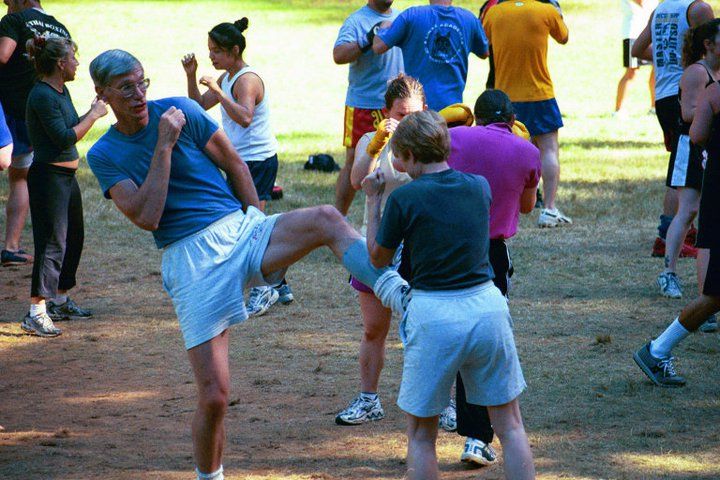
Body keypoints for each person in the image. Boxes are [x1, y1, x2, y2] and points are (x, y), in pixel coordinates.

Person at [86, 49, 409, 480]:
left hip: (240, 230)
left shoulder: (182, 110)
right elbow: (148, 216)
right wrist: (164, 145)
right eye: (126, 87)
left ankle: (397, 291)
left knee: (326, 219)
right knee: (216, 396)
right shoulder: (105, 154)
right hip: (190, 258)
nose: (139, 93)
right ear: (102, 94)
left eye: (142, 81)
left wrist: (256, 218)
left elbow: (235, 163)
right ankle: (210, 476)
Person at [363, 110, 535, 480]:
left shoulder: (403, 199)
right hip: (487, 307)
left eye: (397, 154)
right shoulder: (479, 187)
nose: (394, 161)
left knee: (423, 436)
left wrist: (373, 199)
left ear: (409, 155)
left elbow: (377, 257)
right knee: (511, 426)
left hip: (434, 313)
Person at [445, 89, 541, 467]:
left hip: (447, 246)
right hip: (492, 254)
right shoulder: (528, 152)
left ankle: (436, 413)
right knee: (485, 342)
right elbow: (528, 207)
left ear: (476, 116)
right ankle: (477, 437)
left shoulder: (453, 137)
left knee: (446, 333)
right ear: (512, 118)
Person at [181, 18, 292, 317]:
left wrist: (217, 90)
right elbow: (198, 106)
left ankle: (265, 288)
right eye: (209, 51)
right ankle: (278, 283)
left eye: (216, 51)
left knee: (252, 224)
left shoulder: (246, 79)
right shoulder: (229, 77)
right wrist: (192, 77)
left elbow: (245, 117)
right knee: (245, 221)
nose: (211, 57)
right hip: (240, 161)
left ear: (233, 50)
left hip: (257, 161)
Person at [335, 74, 421, 426]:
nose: (407, 122)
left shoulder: (433, 144)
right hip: (379, 245)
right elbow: (357, 181)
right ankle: (369, 399)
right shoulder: (372, 140)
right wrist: (376, 147)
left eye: (414, 114)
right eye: (401, 114)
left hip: (420, 247)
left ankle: (445, 404)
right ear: (386, 112)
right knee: (373, 329)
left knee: (428, 330)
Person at [633, 67, 720, 387]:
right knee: (713, 296)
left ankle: (657, 350)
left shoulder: (714, 91)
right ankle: (657, 350)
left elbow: (697, 135)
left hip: (714, 190)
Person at [20, 36, 107, 337]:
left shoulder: (60, 91)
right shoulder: (42, 96)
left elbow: (70, 125)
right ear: (60, 63)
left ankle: (60, 299)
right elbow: (64, 137)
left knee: (74, 237)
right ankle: (36, 312)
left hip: (66, 179)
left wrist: (95, 108)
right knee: (51, 244)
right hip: (48, 178)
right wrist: (94, 117)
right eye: (73, 57)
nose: (77, 63)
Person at [632, 0, 714, 257]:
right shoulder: (697, 9)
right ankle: (670, 235)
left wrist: (667, 61)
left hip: (664, 94)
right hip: (689, 92)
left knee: (679, 162)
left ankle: (672, 232)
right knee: (683, 167)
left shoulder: (661, 9)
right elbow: (714, 49)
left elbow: (637, 49)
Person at [483, 0, 571, 228]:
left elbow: (484, 48)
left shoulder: (494, 13)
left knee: (503, 152)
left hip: (506, 95)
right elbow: (564, 37)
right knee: (549, 148)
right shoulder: (546, 10)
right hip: (540, 93)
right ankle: (549, 208)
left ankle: (505, 205)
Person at [0, 0, 71, 267]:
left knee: (8, 164)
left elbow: (3, 55)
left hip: (6, 106)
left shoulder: (13, 21)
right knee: (20, 175)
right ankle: (11, 247)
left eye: (7, 2)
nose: (6, 7)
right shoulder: (61, 29)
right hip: (35, 110)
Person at [658, 20, 720, 307]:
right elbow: (687, 112)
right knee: (689, 209)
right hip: (690, 145)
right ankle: (668, 272)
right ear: (708, 44)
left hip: (707, 145)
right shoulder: (698, 72)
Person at [333, 0, 403, 216]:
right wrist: (367, 39)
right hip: (364, 102)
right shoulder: (356, 21)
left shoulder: (401, 18)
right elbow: (339, 55)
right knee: (354, 158)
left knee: (400, 157)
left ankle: (393, 215)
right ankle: (338, 217)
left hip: (397, 103)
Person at [372, 0, 489, 112]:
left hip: (416, 109)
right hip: (453, 110)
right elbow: (484, 52)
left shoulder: (411, 16)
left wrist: (382, 27)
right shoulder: (469, 19)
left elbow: (378, 47)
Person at [615, 0, 657, 116]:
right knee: (631, 72)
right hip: (632, 32)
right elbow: (641, 2)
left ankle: (654, 107)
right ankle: (618, 110)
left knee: (656, 70)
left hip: (650, 33)